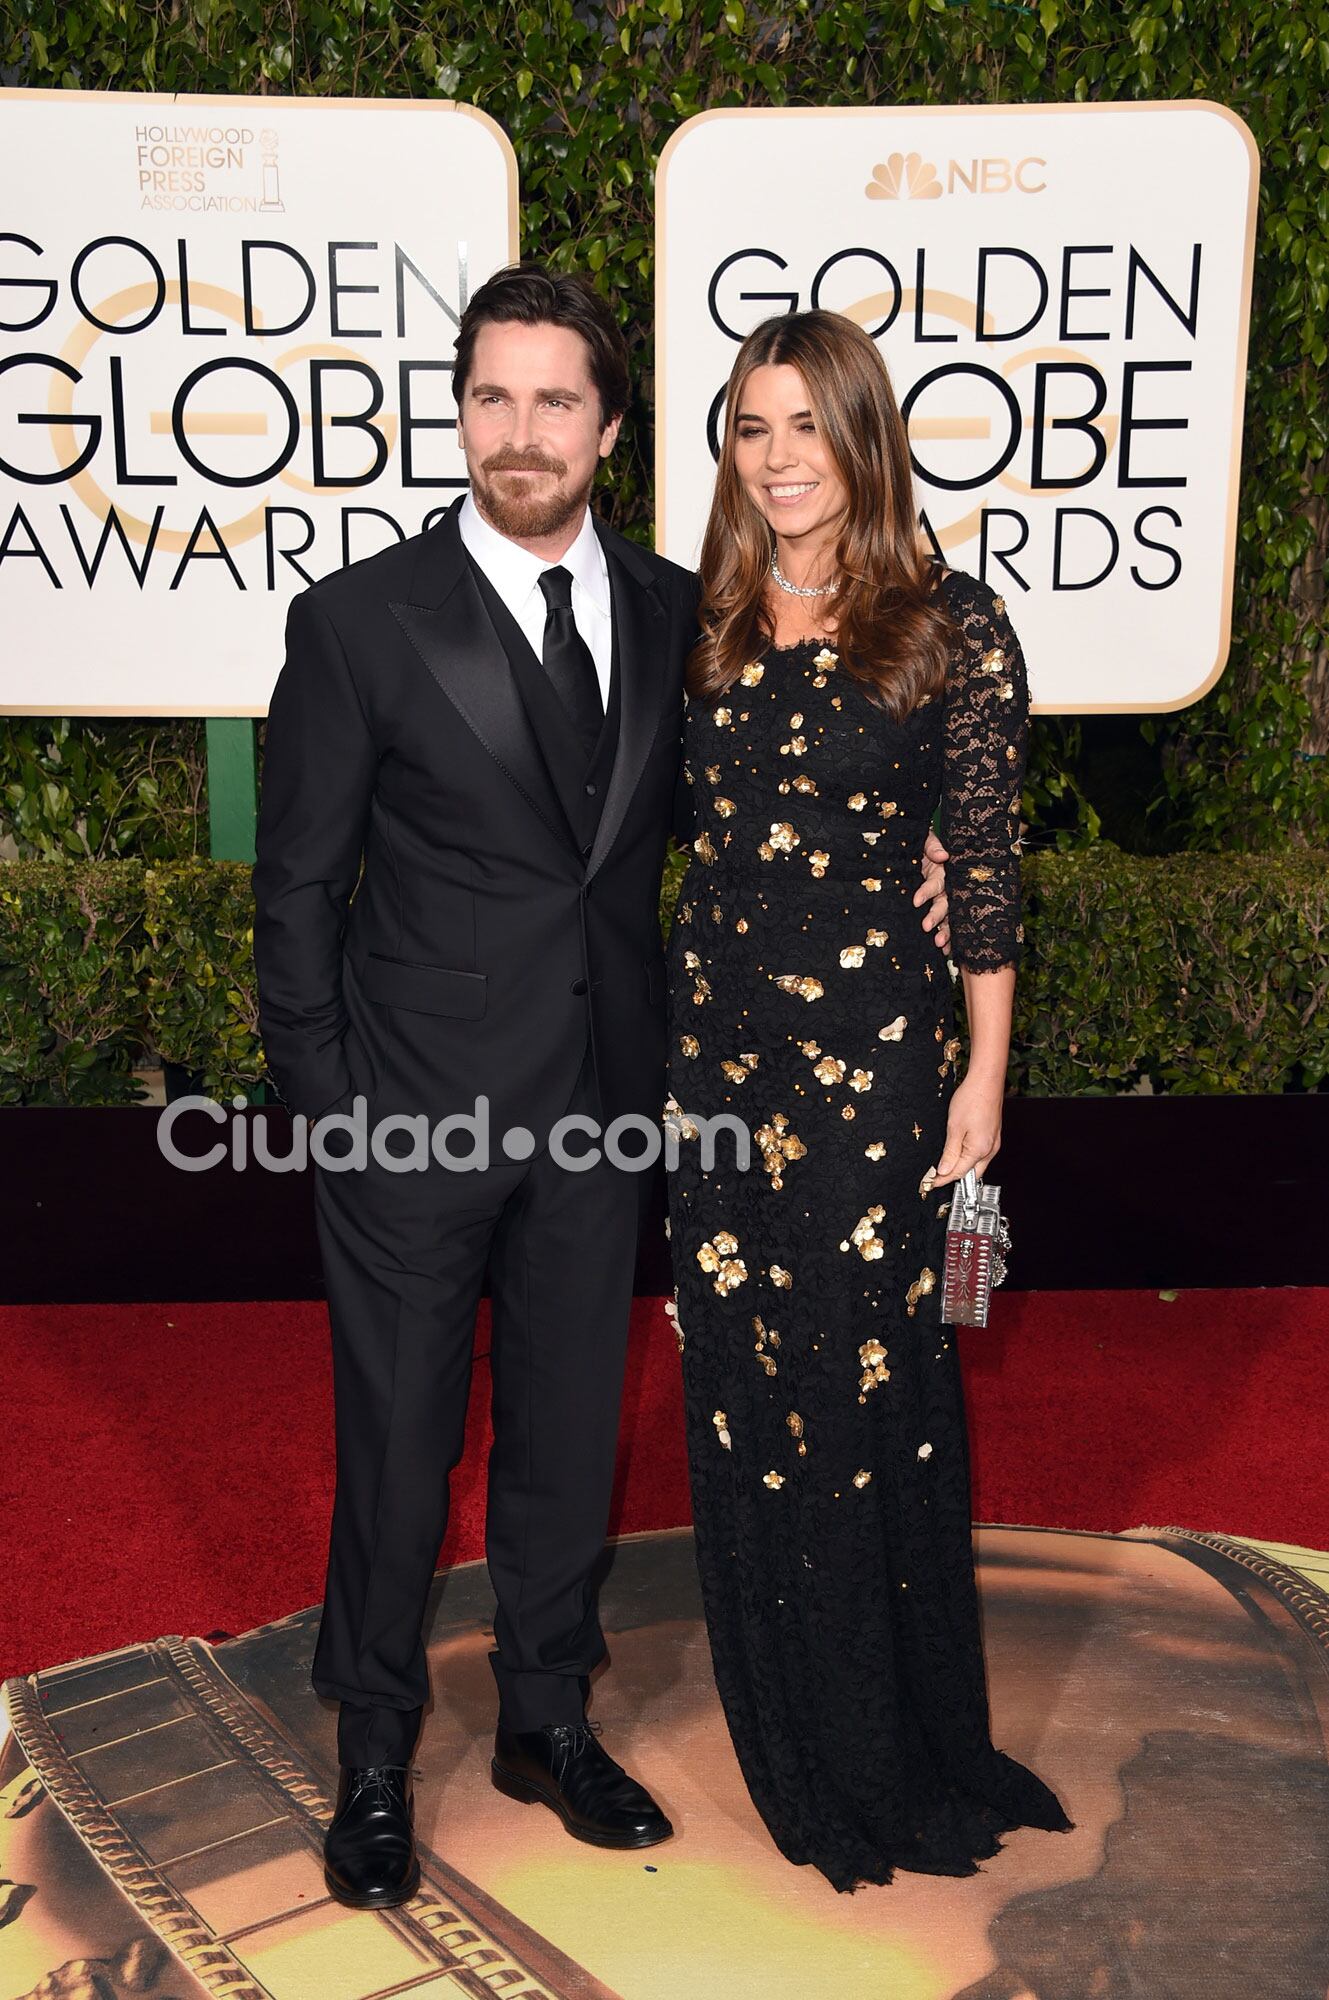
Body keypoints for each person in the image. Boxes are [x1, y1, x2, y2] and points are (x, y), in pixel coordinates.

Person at [252, 264, 951, 1911]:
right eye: (490, 396)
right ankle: (370, 1748)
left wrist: (918, 848)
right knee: (400, 1447)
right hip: (409, 1114)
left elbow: (773, 792)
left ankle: (545, 1719)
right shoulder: (358, 620)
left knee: (570, 1434)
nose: (519, 430)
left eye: (553, 399)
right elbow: (296, 888)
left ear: (611, 428)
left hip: (607, 1106)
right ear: (458, 414)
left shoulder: (670, 611)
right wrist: (332, 1102)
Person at [665, 308, 1074, 1893]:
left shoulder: (950, 626)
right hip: (714, 1064)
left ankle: (893, 1735)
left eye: (804, 428)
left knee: (865, 1378)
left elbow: (981, 869)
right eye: (750, 430)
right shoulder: (695, 620)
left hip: (876, 1071)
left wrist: (982, 1073)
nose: (776, 461)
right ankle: (797, 1725)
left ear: (863, 438)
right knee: (743, 1383)